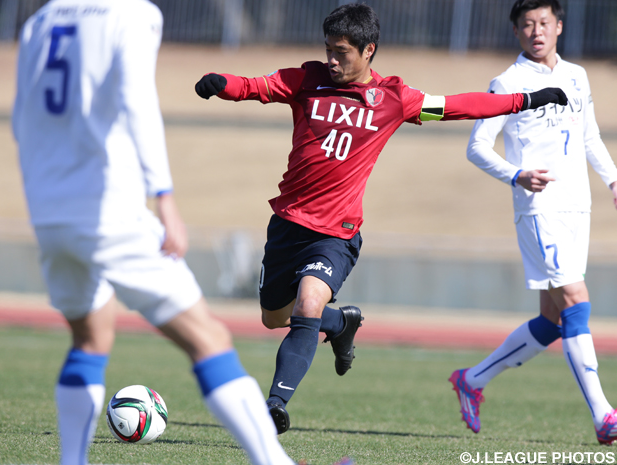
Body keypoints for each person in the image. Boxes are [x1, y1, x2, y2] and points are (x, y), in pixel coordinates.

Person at [194, 2, 567, 435]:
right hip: (288, 225)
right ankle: (342, 322)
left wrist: (525, 99)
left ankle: (274, 405)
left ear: (368, 49)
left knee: (308, 303)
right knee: (274, 319)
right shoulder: (306, 79)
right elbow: (258, 86)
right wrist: (222, 84)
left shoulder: (393, 100)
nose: (332, 60)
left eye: (342, 52)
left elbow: (456, 105)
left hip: (336, 234)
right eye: (329, 50)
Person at [11, 1, 316, 464]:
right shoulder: (132, 14)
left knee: (90, 341)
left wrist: (44, 195)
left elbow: (23, 117)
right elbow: (137, 101)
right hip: (109, 210)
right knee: (207, 339)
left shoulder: (42, 19)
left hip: (50, 209)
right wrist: (164, 197)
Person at [450, 0, 617, 444]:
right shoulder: (507, 83)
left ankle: (473, 379)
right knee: (576, 300)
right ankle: (604, 415)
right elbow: (478, 146)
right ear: (516, 32)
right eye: (527, 24)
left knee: (552, 318)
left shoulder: (577, 76)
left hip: (576, 207)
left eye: (544, 22)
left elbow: (590, 137)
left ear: (559, 27)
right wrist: (516, 173)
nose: (536, 31)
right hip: (538, 209)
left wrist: (613, 180)